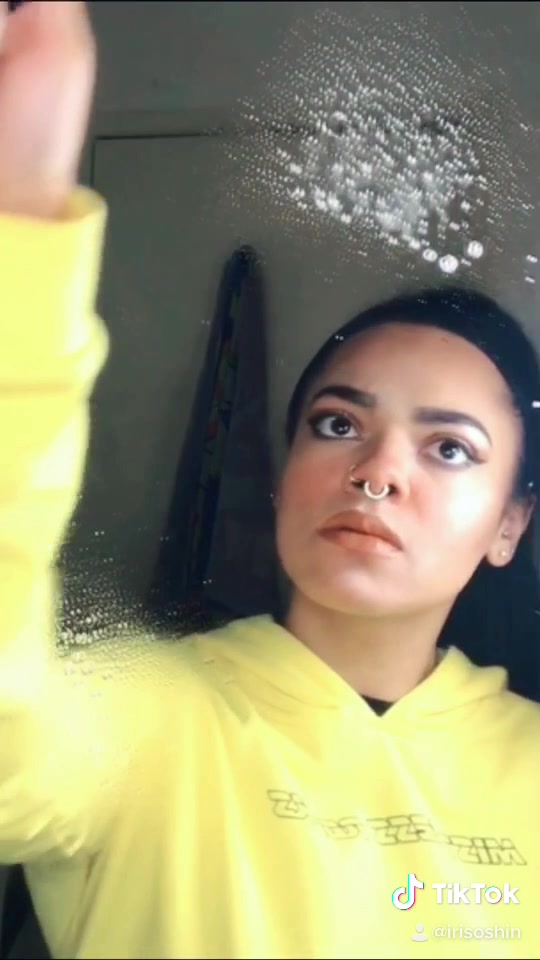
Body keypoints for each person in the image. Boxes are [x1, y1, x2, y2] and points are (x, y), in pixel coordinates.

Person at [0, 3, 539, 959]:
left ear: (510, 524)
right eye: (338, 424)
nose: (377, 472)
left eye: (449, 448)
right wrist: (22, 228)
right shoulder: (144, 716)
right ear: (285, 474)